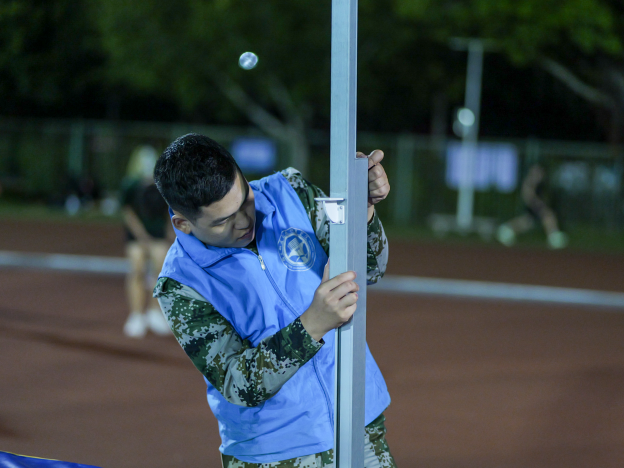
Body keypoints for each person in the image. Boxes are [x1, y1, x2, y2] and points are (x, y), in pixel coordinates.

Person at [153, 133, 395, 467]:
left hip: (360, 425)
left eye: (245, 200)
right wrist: (311, 325)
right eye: (223, 221)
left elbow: (370, 269)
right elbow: (238, 383)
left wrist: (363, 212)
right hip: (275, 454)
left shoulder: (290, 191)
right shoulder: (180, 284)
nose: (244, 222)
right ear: (183, 223)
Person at [120, 145, 173, 338]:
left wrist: (170, 232)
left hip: (157, 234)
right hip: (136, 236)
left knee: (161, 270)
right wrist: (141, 235)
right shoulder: (130, 185)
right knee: (137, 268)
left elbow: (170, 210)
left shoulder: (162, 185)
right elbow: (127, 211)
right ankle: (136, 315)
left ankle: (154, 312)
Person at [496, 163, 568, 249]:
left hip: (536, 206)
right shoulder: (528, 183)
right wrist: (537, 205)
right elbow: (527, 196)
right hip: (534, 206)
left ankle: (507, 229)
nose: (540, 174)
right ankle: (553, 237)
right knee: (545, 216)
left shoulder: (540, 184)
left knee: (531, 221)